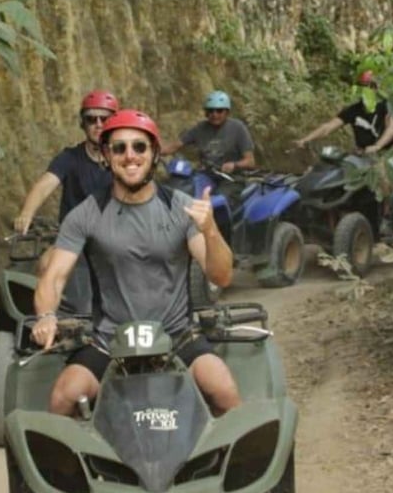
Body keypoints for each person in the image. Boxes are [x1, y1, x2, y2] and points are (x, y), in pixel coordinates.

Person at [31, 109, 240, 417]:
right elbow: (54, 277)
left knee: (224, 390)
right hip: (108, 340)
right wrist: (47, 315)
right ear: (105, 155)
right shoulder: (86, 214)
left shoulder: (182, 208)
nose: (130, 156)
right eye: (119, 148)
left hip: (177, 336)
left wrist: (209, 230)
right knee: (63, 396)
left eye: (139, 147)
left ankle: (226, 463)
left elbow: (221, 276)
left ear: (154, 153)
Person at [13, 90, 119, 234]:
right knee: (49, 257)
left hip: (115, 236)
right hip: (74, 238)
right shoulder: (70, 157)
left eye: (104, 119)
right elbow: (44, 186)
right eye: (91, 119)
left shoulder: (124, 158)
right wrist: (26, 213)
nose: (98, 124)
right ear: (83, 123)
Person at [292, 70, 393, 154]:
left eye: (370, 86)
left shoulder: (386, 106)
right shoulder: (353, 110)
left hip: (388, 154)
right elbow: (328, 127)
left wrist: (378, 146)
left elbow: (392, 128)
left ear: (375, 89)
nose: (366, 90)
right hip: (363, 154)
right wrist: (305, 140)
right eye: (363, 87)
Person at [162, 90, 256, 173]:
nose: (214, 114)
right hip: (207, 175)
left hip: (232, 178)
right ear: (206, 113)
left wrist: (234, 165)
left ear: (227, 112)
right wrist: (155, 152)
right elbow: (175, 145)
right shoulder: (200, 128)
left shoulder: (238, 128)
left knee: (221, 193)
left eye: (219, 111)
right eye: (211, 111)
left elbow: (250, 161)